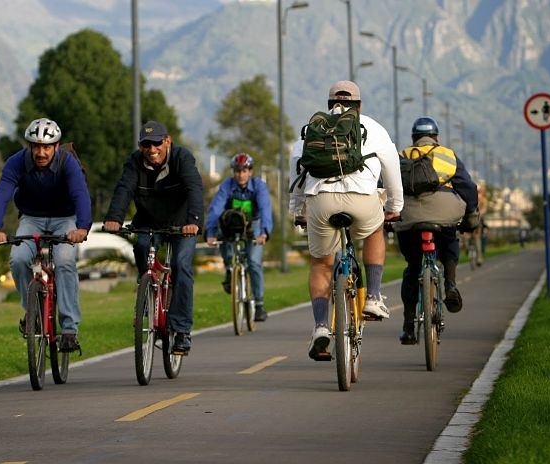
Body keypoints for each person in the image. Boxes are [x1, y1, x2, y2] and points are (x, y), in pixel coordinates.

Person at [289, 80, 404, 360]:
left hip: (321, 201)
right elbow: (392, 171)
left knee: (321, 264)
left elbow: (297, 170)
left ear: (330, 105)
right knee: (375, 229)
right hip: (362, 199)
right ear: (359, 106)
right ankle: (373, 297)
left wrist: (297, 210)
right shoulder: (373, 127)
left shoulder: (313, 128)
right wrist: (394, 207)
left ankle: (320, 326)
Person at [0, 117, 91, 353]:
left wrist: (82, 228)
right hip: (31, 218)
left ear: (56, 146)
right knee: (18, 259)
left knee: (64, 260)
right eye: (36, 147)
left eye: (46, 147)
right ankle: (32, 311)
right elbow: (2, 194)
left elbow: (80, 194)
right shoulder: (16, 162)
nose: (41, 153)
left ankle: (69, 329)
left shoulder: (67, 163)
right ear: (29, 146)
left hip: (65, 218)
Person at [103, 120, 204, 354]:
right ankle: (147, 291)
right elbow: (124, 189)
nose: (152, 149)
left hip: (182, 224)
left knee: (181, 265)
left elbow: (194, 189)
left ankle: (181, 330)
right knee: (141, 248)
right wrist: (114, 218)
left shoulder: (182, 158)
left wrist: (194, 221)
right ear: (140, 146)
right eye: (146, 145)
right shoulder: (134, 162)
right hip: (148, 222)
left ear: (167, 141)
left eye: (157, 143)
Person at [393, 116, 478, 345]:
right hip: (444, 214)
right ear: (436, 138)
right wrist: (471, 216)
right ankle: (450, 284)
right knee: (450, 242)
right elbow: (468, 187)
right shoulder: (447, 155)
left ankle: (408, 326)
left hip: (408, 217)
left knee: (412, 266)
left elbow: (386, 186)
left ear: (413, 138)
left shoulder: (401, 156)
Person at [205, 153, 273, 322]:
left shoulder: (259, 186)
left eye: (244, 171)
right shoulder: (227, 186)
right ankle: (230, 269)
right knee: (223, 238)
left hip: (253, 224)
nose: (240, 175)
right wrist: (210, 233)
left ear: (250, 171)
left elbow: (265, 209)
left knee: (254, 262)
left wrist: (264, 232)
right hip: (232, 222)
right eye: (237, 171)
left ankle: (259, 304)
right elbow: (216, 209)